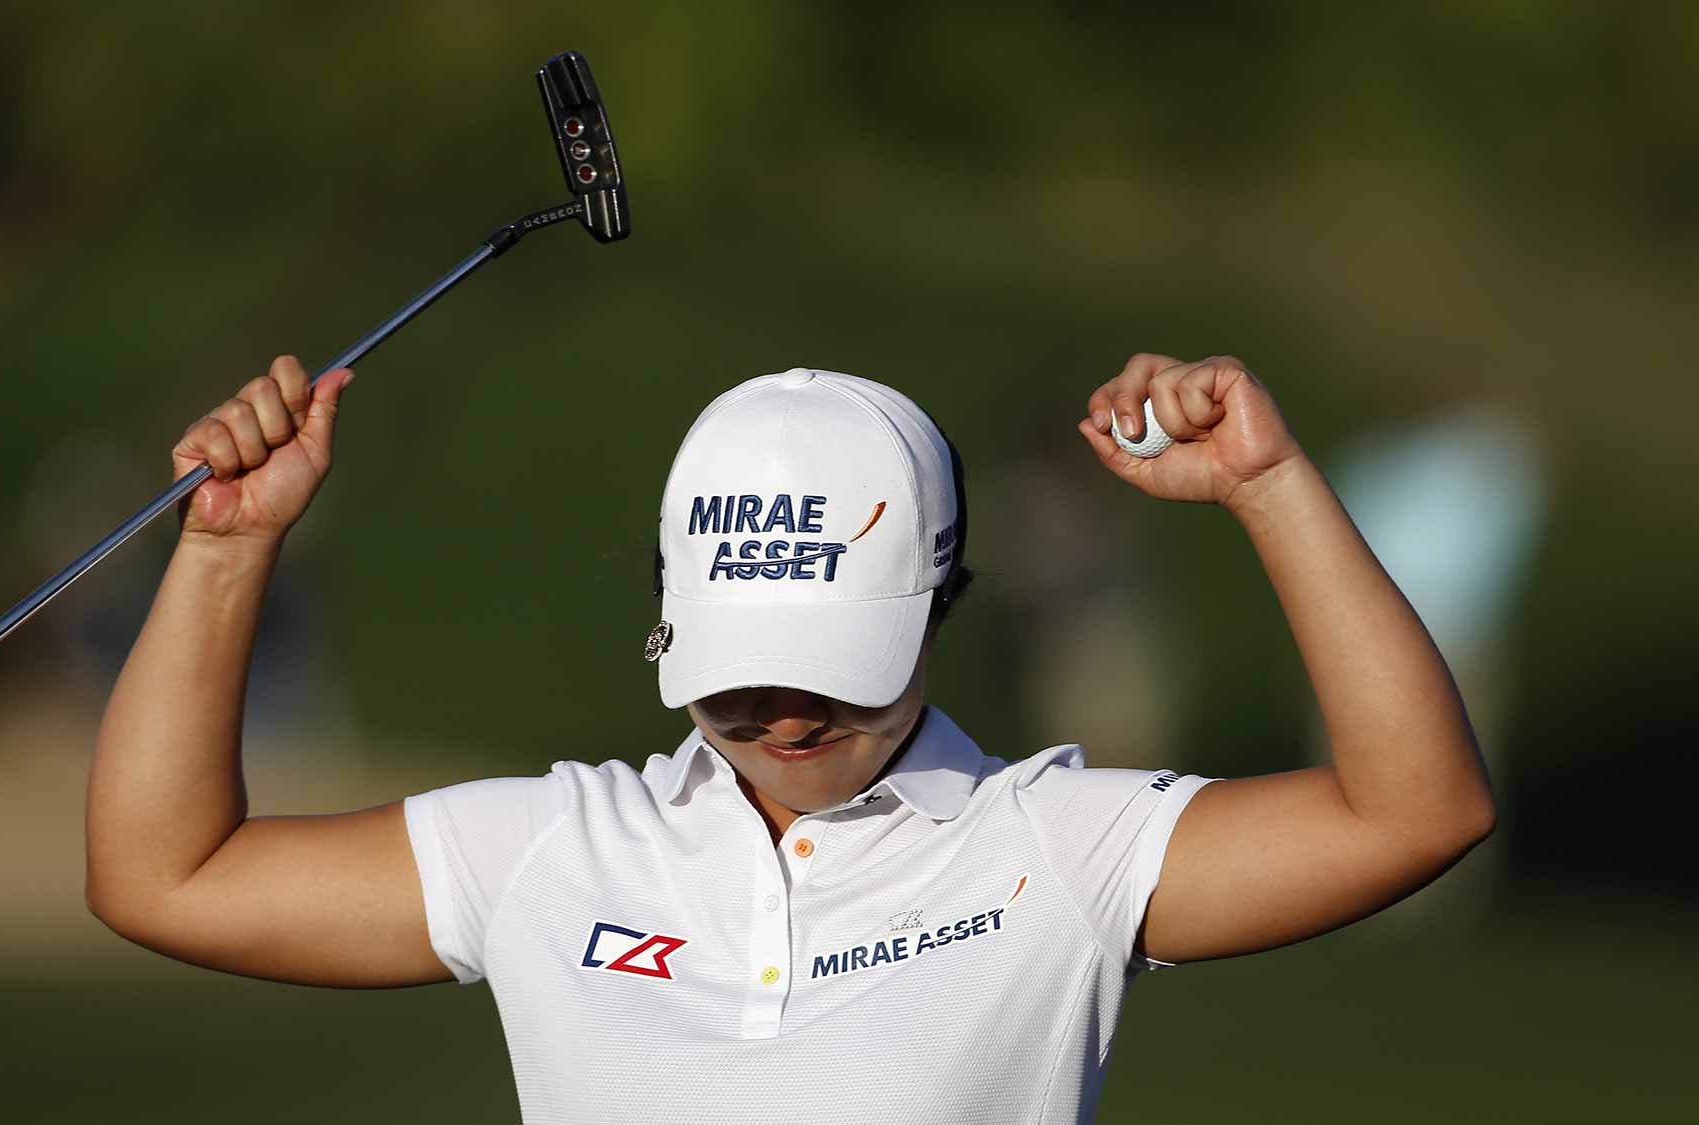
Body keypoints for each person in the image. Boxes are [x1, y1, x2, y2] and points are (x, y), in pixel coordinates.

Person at [87, 354, 1494, 1123]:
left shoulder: (1053, 848)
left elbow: (1415, 808)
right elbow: (166, 875)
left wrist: (1269, 485)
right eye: (743, 671)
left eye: (832, 665)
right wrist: (224, 555)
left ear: (942, 604)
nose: (784, 714)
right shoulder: (560, 846)